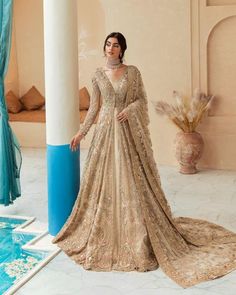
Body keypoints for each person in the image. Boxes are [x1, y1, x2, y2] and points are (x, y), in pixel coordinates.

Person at [53, 32, 236, 288]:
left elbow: (140, 100)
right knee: (103, 183)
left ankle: (138, 232)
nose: (111, 48)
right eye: (108, 44)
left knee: (132, 182)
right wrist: (81, 133)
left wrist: (130, 109)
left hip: (127, 134)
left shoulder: (132, 73)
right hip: (105, 134)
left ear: (122, 49)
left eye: (116, 45)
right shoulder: (96, 75)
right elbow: (94, 108)